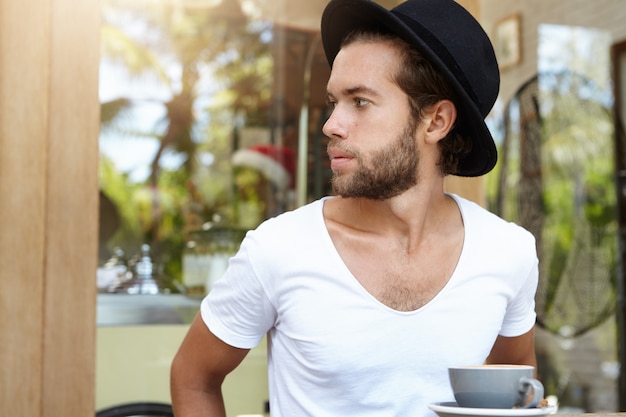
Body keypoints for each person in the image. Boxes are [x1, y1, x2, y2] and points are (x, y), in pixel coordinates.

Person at [170, 0, 540, 416]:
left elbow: (516, 386)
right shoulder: (278, 249)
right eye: (334, 102)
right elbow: (193, 377)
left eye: (359, 102)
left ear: (436, 121)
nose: (331, 125)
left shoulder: (508, 252)